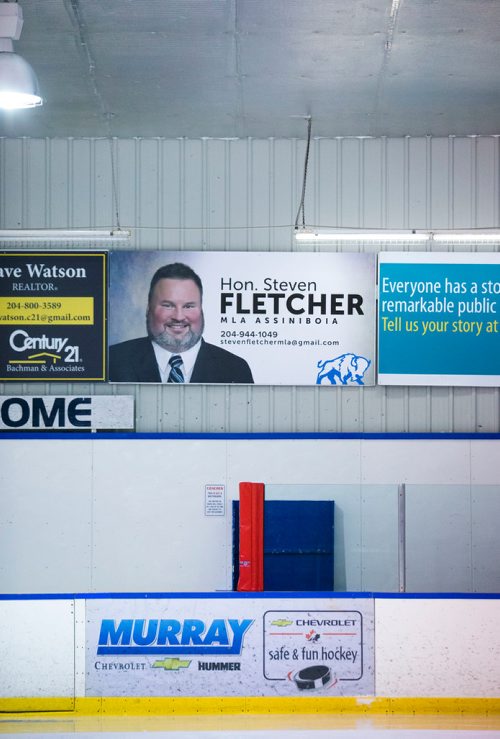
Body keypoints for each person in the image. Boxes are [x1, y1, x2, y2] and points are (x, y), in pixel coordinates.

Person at [109, 262, 254, 383]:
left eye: (188, 306)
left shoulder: (235, 368)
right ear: (148, 309)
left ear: (201, 309)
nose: (178, 317)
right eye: (168, 305)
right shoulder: (112, 361)